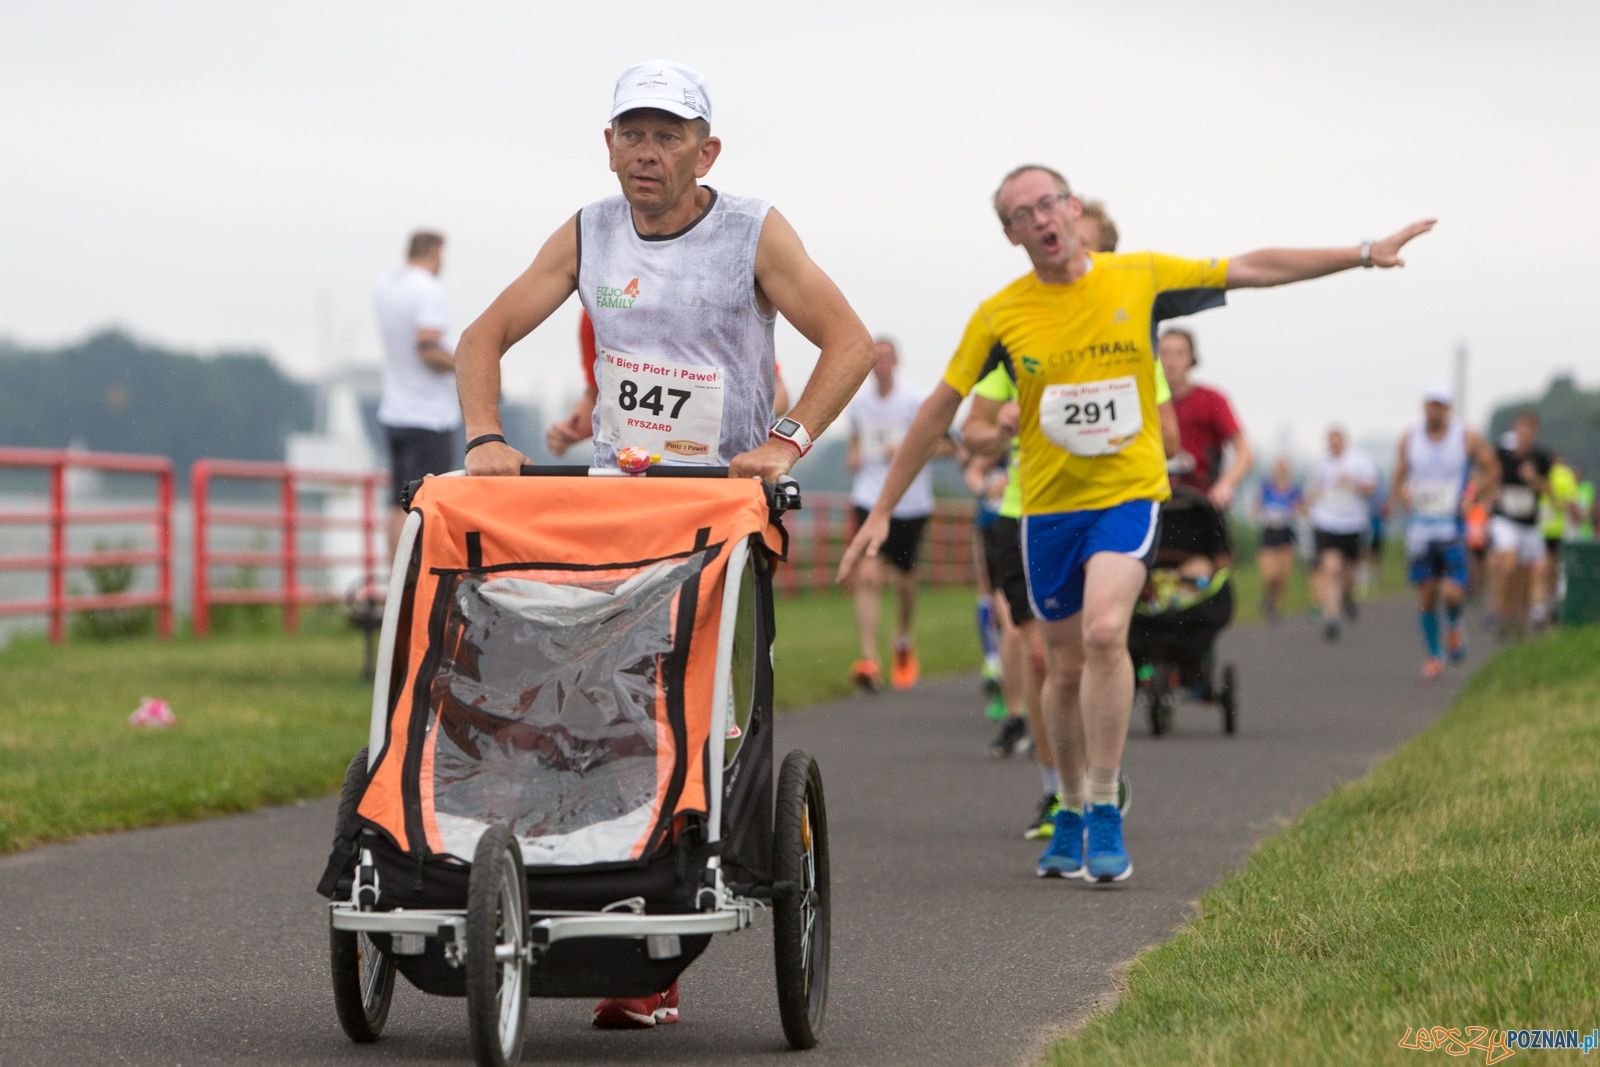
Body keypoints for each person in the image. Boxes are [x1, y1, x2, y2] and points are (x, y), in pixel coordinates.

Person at [839, 161, 1432, 883]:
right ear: (1010, 233)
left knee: (1104, 632)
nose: (1042, 219)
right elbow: (940, 410)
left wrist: (1362, 252)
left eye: (1050, 203)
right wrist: (883, 509)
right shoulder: (1001, 314)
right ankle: (1064, 804)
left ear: (1072, 206)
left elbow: (1250, 267)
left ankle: (1103, 802)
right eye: (1023, 214)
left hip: (1127, 495)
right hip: (1049, 507)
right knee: (1059, 668)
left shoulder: (1139, 277)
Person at [451, 59, 876, 1031]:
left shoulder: (753, 231)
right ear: (607, 146)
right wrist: (484, 436)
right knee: (575, 690)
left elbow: (847, 341)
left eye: (667, 135)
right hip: (611, 502)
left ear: (706, 149)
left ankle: (659, 935)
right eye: (630, 134)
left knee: (679, 696)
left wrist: (785, 442)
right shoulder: (588, 229)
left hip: (720, 508)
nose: (646, 152)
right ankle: (560, 872)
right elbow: (483, 335)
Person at [845, 338, 952, 691]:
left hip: (910, 502)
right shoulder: (858, 403)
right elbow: (855, 447)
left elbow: (950, 446)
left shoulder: (916, 399)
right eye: (875, 360)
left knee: (905, 581)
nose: (880, 366)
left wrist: (909, 449)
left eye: (886, 359)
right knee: (868, 575)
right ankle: (868, 659)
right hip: (869, 498)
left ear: (897, 362)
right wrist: (855, 456)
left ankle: (903, 640)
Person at [548, 309, 792, 457]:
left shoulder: (715, 303)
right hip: (630, 471)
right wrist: (570, 432)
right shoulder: (598, 307)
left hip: (712, 471)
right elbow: (597, 394)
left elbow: (777, 392)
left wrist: (720, 416)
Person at [1393, 381, 1498, 681]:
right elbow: (1399, 476)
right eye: (1430, 403)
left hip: (1452, 527)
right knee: (1426, 595)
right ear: (1424, 406)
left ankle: (1454, 625)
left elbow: (1492, 470)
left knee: (1451, 592)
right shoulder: (1409, 439)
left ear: (1448, 408)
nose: (1434, 409)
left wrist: (1472, 494)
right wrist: (1403, 495)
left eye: (1440, 404)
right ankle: (1433, 657)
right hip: (1421, 529)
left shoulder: (1465, 437)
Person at [375, 230, 458, 554]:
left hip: (394, 410)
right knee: (425, 504)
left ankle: (394, 587)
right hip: (428, 415)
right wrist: (464, 366)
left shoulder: (386, 286)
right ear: (435, 252)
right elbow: (427, 347)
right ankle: (415, 587)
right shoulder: (428, 289)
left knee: (398, 504)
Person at [1157, 328, 1253, 510]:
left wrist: (1225, 485)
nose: (1171, 361)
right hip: (1154, 501)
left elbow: (1245, 452)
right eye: (1164, 353)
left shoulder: (1211, 400)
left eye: (1179, 353)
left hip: (1201, 503)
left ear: (1191, 359)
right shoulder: (1142, 402)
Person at [1307, 427, 1378, 641]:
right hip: (1327, 521)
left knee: (1348, 572)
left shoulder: (1359, 460)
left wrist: (1353, 482)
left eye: (1338, 441)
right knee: (1330, 568)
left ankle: (1347, 596)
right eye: (1331, 442)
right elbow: (1311, 491)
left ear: (1344, 442)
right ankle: (1332, 617)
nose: (1334, 446)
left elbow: (1372, 488)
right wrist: (1314, 495)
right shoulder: (1320, 464)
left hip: (1353, 523)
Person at [1486, 411, 1553, 639]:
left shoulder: (1542, 459)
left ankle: (1519, 619)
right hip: (1505, 520)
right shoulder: (1502, 456)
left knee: (1526, 575)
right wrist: (1486, 496)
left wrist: (1534, 479)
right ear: (1515, 430)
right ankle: (1500, 610)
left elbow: (1550, 492)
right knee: (1509, 563)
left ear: (1535, 434)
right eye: (1521, 430)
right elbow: (1490, 478)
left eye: (1529, 431)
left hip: (1529, 524)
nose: (1525, 435)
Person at [1254, 458, 1303, 623]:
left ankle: (1275, 609)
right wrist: (1263, 516)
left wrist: (1295, 512)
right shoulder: (1266, 489)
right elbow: (1256, 509)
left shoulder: (1295, 490)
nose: (1280, 472)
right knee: (1270, 575)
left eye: (1283, 469)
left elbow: (1302, 510)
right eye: (1278, 469)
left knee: (1282, 576)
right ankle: (1268, 595)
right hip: (1269, 534)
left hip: (1286, 535)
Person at [1536, 456, 1578, 624]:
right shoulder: (1566, 474)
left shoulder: (1543, 473)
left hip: (1543, 528)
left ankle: (1540, 606)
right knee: (1556, 570)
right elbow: (1571, 503)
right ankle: (1553, 604)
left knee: (1543, 568)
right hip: (1560, 529)